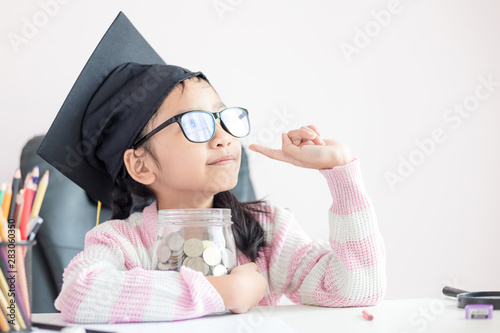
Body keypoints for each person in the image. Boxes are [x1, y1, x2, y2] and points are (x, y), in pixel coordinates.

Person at [38, 12, 386, 324]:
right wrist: (221, 292)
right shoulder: (122, 242)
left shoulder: (266, 229)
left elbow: (355, 290)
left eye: (224, 117)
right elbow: (79, 296)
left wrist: (341, 175)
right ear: (141, 165)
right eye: (197, 124)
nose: (224, 137)